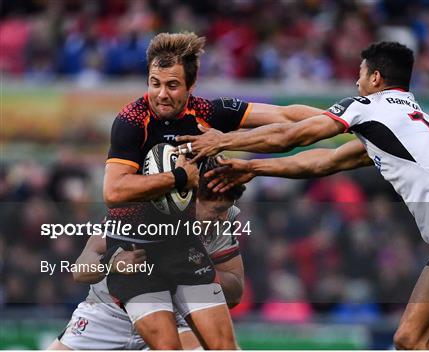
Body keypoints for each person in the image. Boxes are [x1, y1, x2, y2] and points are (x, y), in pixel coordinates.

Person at [177, 41, 429, 349]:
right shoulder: (407, 119)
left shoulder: (369, 106)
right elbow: (324, 162)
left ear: (374, 78)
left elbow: (289, 135)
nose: (355, 83)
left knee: (408, 339)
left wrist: (222, 141)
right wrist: (254, 169)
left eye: (359, 75)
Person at [103, 31, 323, 349]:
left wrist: (345, 120)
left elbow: (286, 115)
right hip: (136, 251)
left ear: (191, 86)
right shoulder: (132, 121)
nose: (161, 94)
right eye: (155, 83)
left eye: (172, 85)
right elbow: (113, 191)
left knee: (225, 347)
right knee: (169, 347)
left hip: (182, 248)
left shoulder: (207, 113)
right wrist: (179, 178)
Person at [48, 157, 246, 350]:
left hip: (175, 317)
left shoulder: (222, 225)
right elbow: (80, 270)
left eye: (226, 209)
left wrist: (197, 270)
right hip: (108, 314)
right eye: (217, 210)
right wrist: (111, 263)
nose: (222, 218)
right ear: (189, 197)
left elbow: (235, 292)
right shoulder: (137, 212)